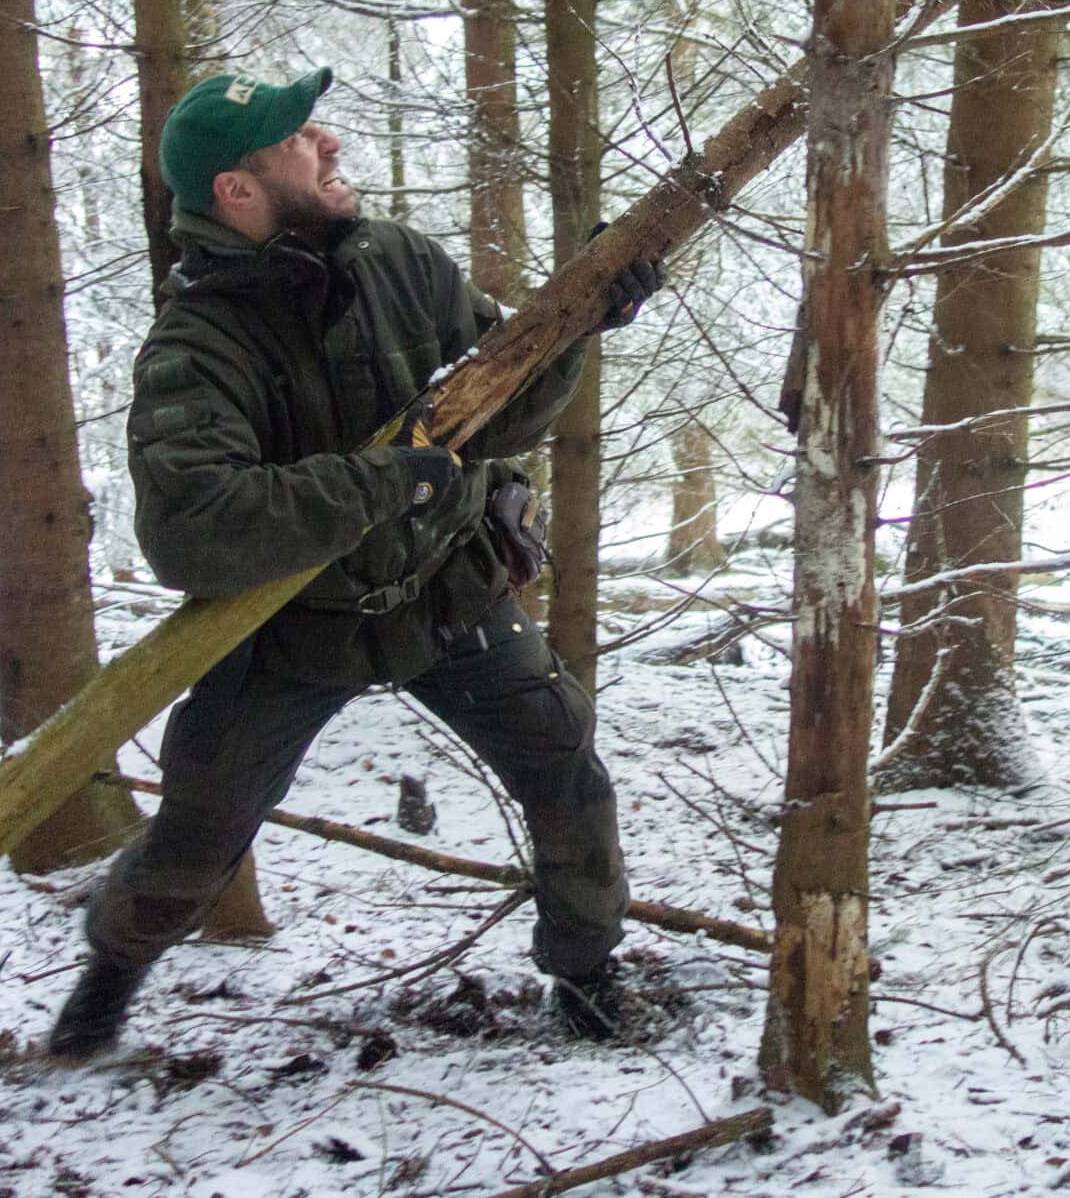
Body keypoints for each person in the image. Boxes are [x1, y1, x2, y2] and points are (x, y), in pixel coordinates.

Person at [48, 67, 661, 1059]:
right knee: (197, 836)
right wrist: (388, 483)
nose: (328, 143)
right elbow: (191, 529)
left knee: (568, 772)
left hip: (445, 591)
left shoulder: (399, 262)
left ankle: (589, 982)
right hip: (287, 632)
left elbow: (500, 412)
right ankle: (108, 979)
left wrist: (582, 322)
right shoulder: (193, 345)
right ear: (236, 193)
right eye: (297, 140)